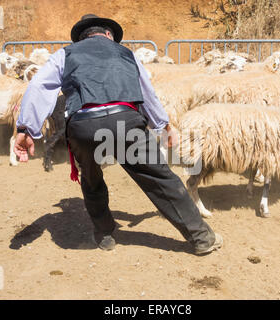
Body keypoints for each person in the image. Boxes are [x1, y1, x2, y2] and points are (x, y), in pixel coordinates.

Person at [14, 14, 223, 255]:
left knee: (91, 181)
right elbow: (147, 93)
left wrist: (26, 128)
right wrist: (164, 126)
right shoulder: (126, 53)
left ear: (81, 37)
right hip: (125, 121)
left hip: (83, 126)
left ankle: (104, 235)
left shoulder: (65, 54)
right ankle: (201, 238)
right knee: (160, 178)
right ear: (108, 34)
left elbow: (39, 86)